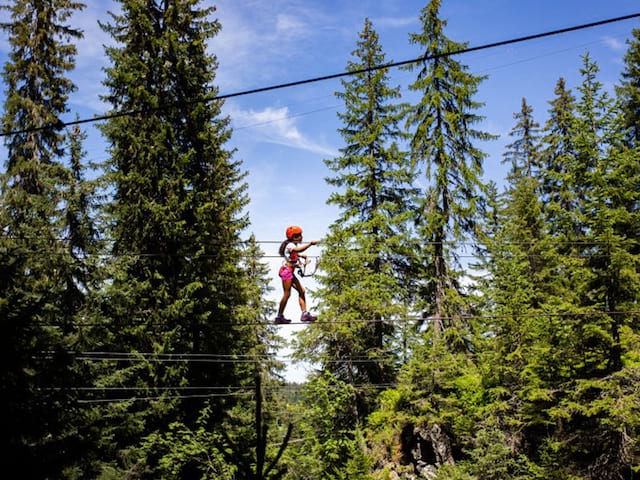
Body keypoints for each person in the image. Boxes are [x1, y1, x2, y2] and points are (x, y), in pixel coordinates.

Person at [275, 225, 318, 324]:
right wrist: (310, 244)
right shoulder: (290, 245)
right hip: (286, 272)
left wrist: (301, 259)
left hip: (289, 272)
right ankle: (279, 316)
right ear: (294, 237)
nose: (301, 237)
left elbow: (294, 255)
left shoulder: (292, 245)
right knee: (287, 294)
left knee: (301, 291)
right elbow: (296, 250)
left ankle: (304, 314)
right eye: (300, 235)